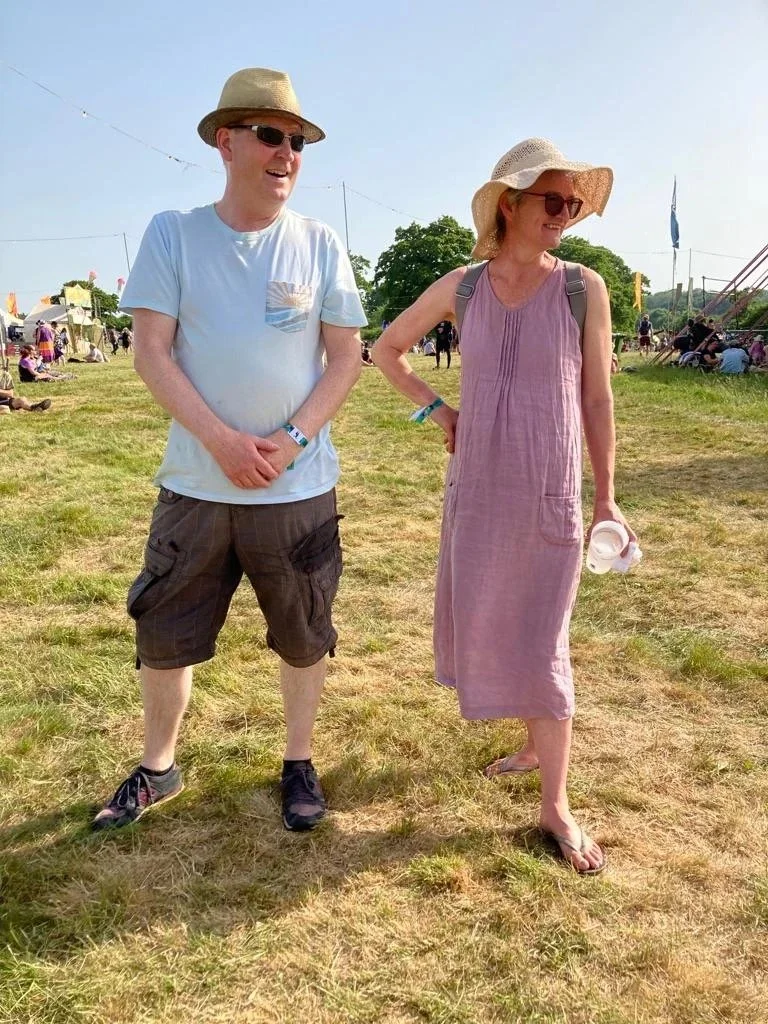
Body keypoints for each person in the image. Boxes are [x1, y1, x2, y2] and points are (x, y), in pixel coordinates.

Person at [92, 67, 367, 834]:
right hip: (196, 485)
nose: (287, 153)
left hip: (297, 487)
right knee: (165, 634)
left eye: (297, 142)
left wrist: (291, 440)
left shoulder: (320, 243)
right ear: (227, 141)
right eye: (271, 136)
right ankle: (158, 768)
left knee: (305, 632)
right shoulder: (173, 233)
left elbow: (346, 356)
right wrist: (220, 441)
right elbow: (152, 352)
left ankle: (298, 763)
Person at [373, 138, 635, 875]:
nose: (566, 214)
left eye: (573, 203)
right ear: (510, 205)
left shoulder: (584, 286)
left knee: (544, 633)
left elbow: (596, 396)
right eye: (552, 200)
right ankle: (530, 742)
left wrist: (607, 496)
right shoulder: (462, 287)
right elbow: (387, 350)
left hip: (551, 490)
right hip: (479, 491)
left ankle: (555, 803)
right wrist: (439, 414)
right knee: (498, 616)